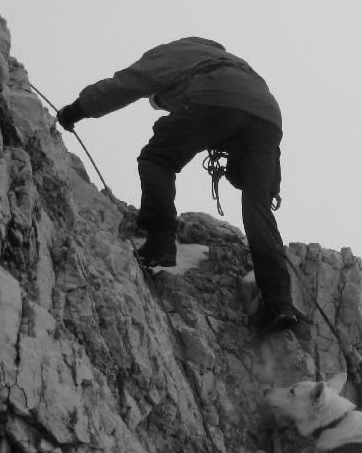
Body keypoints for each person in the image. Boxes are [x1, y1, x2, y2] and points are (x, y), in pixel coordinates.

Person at [57, 37, 298, 334]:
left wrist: (77, 109)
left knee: (157, 159)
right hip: (268, 116)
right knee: (257, 206)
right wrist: (270, 184)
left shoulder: (171, 54)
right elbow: (250, 122)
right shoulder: (233, 63)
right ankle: (280, 303)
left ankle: (160, 243)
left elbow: (127, 84)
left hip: (214, 98)